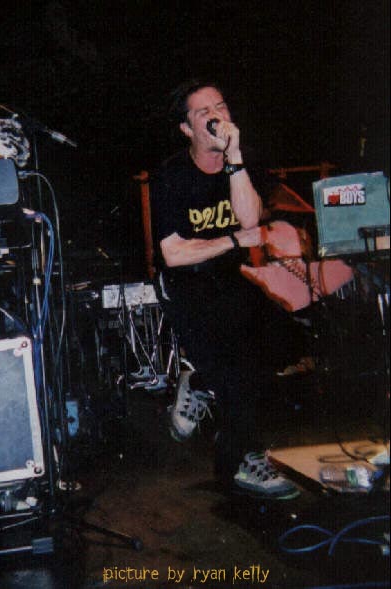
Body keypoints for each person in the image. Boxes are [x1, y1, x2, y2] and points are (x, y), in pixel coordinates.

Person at [150, 80, 301, 499]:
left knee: (284, 342)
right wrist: (232, 240)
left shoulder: (243, 162)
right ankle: (241, 461)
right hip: (185, 285)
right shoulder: (171, 176)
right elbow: (173, 254)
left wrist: (234, 160)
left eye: (220, 106)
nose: (217, 116)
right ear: (187, 129)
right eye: (204, 112)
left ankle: (200, 383)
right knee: (236, 374)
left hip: (230, 279)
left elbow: (251, 221)